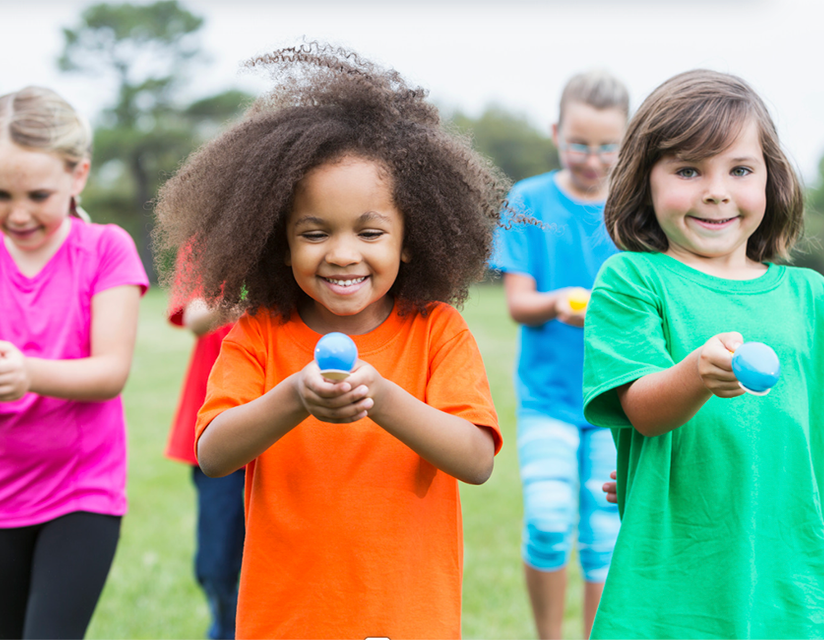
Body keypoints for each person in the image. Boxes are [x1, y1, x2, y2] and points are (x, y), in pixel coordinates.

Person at [154, 42, 511, 639]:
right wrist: (295, 396)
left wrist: (385, 398)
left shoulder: (437, 331)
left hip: (406, 619)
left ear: (410, 238)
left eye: (370, 231)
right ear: (279, 243)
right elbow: (214, 453)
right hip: (285, 620)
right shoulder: (259, 334)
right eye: (314, 233)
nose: (343, 254)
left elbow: (476, 461)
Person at [582, 69, 824, 638]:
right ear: (644, 180)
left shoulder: (814, 299)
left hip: (787, 589)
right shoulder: (632, 280)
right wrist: (696, 377)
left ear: (771, 179)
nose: (717, 190)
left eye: (741, 169)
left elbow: (801, 443)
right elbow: (645, 411)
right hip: (669, 590)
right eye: (687, 169)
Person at [0, 87, 148, 639]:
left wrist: (27, 373)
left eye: (38, 193)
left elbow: (110, 372)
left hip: (84, 490)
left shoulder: (107, 249)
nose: (19, 212)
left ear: (78, 176)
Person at [489, 70, 629, 639]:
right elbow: (519, 304)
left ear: (627, 142)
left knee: (602, 533)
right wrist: (561, 304)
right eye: (579, 143)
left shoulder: (633, 208)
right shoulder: (529, 201)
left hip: (613, 400)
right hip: (547, 398)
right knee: (548, 522)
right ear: (556, 132)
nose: (592, 159)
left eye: (606, 146)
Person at [164, 298, 243, 640]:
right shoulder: (204, 243)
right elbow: (196, 318)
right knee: (218, 562)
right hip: (217, 428)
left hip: (296, 432)